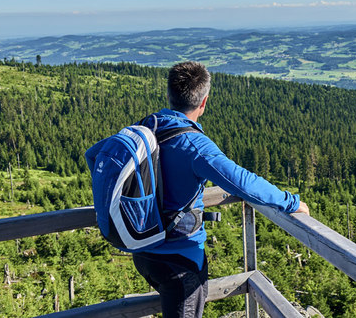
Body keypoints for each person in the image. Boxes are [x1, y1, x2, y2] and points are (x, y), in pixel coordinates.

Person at [132, 61, 308, 318]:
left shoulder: (146, 127)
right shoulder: (194, 145)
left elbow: (95, 157)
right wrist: (291, 202)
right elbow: (244, 183)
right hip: (180, 261)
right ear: (203, 102)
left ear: (169, 95)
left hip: (143, 251)